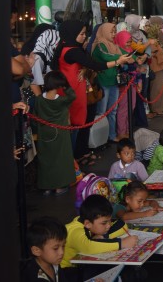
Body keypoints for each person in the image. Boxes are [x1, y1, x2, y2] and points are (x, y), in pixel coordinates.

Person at [52, 20, 134, 158]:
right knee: (76, 124)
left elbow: (87, 64)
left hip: (75, 89)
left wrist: (85, 69)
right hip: (73, 91)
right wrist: (117, 62)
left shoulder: (68, 47)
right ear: (72, 33)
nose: (85, 36)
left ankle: (79, 153)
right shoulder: (72, 50)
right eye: (81, 34)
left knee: (80, 122)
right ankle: (73, 157)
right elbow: (94, 64)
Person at [61, 195, 137, 269]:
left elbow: (122, 225)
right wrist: (121, 243)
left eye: (110, 221)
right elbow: (89, 246)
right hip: (67, 270)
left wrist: (103, 237)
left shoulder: (91, 220)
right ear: (88, 224)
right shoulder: (75, 231)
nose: (108, 225)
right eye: (104, 223)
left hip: (82, 264)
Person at [34, 71, 76, 196]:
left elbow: (35, 118)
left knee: (46, 159)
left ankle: (46, 187)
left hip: (44, 133)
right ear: (59, 85)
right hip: (61, 133)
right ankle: (59, 187)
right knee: (61, 158)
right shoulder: (62, 101)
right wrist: (66, 85)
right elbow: (72, 96)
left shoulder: (39, 100)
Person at [91, 23, 123, 142]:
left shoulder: (113, 45)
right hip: (103, 82)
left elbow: (124, 54)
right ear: (104, 32)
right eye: (111, 32)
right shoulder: (100, 45)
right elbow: (107, 57)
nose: (114, 34)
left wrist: (134, 57)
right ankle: (101, 139)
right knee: (102, 111)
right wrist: (121, 58)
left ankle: (112, 135)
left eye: (115, 32)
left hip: (113, 81)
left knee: (113, 110)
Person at [22, 217, 67, 282]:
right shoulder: (33, 276)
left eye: (63, 246)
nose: (61, 252)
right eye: (55, 248)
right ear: (36, 251)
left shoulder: (54, 263)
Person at [144, 17, 163, 117]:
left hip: (159, 64)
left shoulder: (155, 35)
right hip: (156, 64)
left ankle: (160, 107)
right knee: (157, 87)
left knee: (160, 87)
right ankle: (157, 108)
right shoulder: (155, 35)